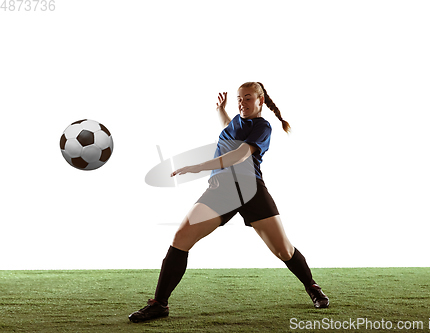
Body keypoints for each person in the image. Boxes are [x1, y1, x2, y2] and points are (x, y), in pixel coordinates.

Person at [129, 82, 329, 323]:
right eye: (239, 99)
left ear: (260, 101)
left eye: (247, 98)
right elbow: (228, 127)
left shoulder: (262, 126)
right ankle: (159, 303)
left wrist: (200, 166)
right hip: (221, 189)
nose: (242, 103)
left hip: (249, 189)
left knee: (283, 250)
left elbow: (240, 154)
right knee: (181, 237)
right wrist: (220, 110)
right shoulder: (236, 120)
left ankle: (312, 286)